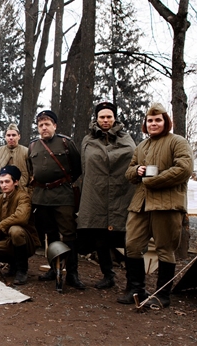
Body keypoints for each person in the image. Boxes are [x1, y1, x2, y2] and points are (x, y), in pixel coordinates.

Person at [117, 103, 193, 308]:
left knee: (165, 249)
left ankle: (162, 294)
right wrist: (138, 171)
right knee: (132, 246)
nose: (153, 124)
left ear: (166, 122)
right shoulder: (142, 146)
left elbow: (184, 169)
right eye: (150, 120)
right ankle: (136, 289)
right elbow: (129, 172)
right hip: (140, 205)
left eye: (158, 120)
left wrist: (152, 180)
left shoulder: (178, 141)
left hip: (167, 205)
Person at [76, 101, 136, 289]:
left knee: (128, 235)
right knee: (100, 235)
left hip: (121, 193)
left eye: (109, 116)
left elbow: (133, 159)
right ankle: (108, 275)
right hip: (97, 193)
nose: (105, 120)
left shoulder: (126, 139)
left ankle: (132, 279)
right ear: (97, 118)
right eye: (102, 117)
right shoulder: (88, 140)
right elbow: (85, 167)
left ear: (115, 118)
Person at [28, 110, 85, 290]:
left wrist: (61, 183)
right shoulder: (32, 147)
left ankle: (72, 274)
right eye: (40, 125)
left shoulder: (66, 143)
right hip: (41, 197)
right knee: (49, 234)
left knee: (68, 234)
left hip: (63, 195)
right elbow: (31, 169)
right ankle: (54, 268)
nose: (44, 128)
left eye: (47, 124)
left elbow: (77, 168)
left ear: (54, 125)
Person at [0, 124, 29, 216]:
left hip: (19, 195)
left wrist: (28, 192)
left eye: (14, 135)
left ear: (19, 136)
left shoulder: (26, 152)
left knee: (16, 223)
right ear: (5, 137)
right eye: (8, 135)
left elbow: (32, 174)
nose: (11, 138)